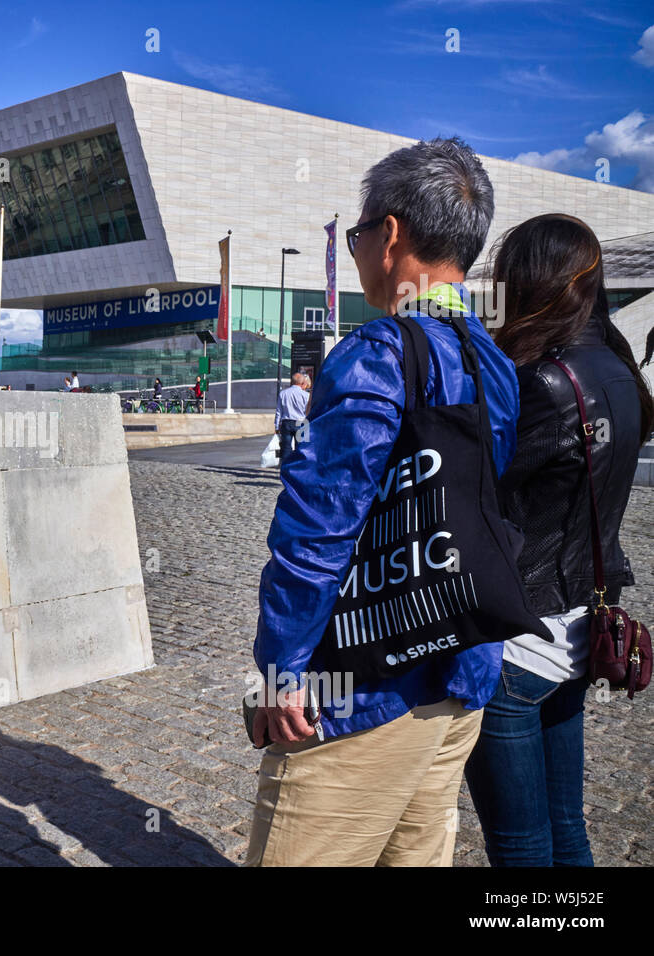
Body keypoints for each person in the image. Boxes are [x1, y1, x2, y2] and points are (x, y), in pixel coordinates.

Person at [246, 138, 520, 867]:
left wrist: (279, 667)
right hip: (464, 669)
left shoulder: (378, 352)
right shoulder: (493, 359)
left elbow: (317, 531)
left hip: (365, 686)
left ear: (392, 234)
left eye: (362, 233)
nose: (362, 247)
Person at [462, 214, 653, 867]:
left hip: (519, 640)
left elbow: (481, 499)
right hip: (579, 627)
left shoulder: (540, 382)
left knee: (520, 843)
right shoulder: (621, 373)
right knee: (567, 826)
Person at [273, 372, 311, 460]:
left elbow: (279, 411)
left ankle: (286, 469)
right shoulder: (306, 395)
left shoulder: (283, 393)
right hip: (302, 422)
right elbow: (308, 411)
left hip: (286, 422)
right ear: (302, 383)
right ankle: (299, 469)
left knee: (286, 448)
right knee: (301, 449)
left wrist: (276, 426)